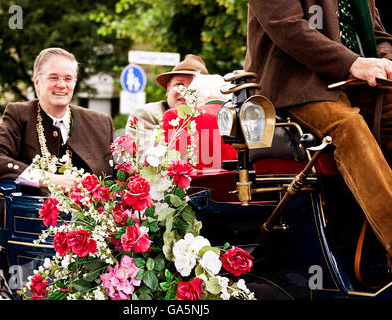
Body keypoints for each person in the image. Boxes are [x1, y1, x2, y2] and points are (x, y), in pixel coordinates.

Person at [245, 0, 392, 256]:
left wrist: (384, 62)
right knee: (348, 126)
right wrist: (353, 63)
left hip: (361, 82)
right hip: (296, 85)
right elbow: (287, 27)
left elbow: (380, 36)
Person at [0, 47, 114, 192]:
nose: (61, 85)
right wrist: (46, 178)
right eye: (53, 77)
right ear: (37, 82)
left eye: (67, 78)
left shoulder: (101, 123)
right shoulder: (19, 115)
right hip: (30, 214)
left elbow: (124, 178)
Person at [125, 54, 209, 151]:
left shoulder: (215, 119)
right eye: (179, 84)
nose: (185, 92)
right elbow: (148, 156)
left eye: (193, 87)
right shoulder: (146, 115)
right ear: (168, 89)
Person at [162, 73, 237, 169]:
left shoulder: (177, 116)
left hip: (196, 182)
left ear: (194, 95)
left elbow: (167, 166)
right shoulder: (246, 118)